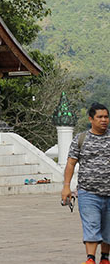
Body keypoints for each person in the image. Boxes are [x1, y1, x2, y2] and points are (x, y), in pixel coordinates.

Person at [63, 103, 110, 264]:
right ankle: (90, 258)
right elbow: (71, 163)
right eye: (100, 117)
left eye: (106, 117)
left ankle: (105, 258)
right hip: (88, 192)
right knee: (91, 224)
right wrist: (66, 187)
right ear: (91, 119)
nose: (104, 120)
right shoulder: (81, 139)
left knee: (108, 228)